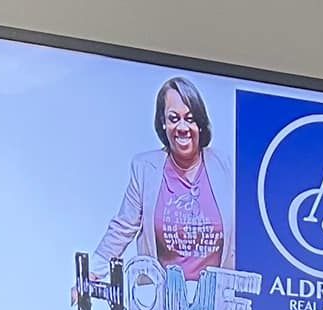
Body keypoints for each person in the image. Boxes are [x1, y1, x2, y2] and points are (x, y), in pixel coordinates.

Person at [93, 76, 234, 279]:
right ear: (163, 123)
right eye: (173, 118)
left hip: (218, 303)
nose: (183, 127)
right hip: (159, 304)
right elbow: (123, 228)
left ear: (201, 123)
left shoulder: (228, 166)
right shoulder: (144, 169)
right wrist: (92, 274)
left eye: (190, 118)